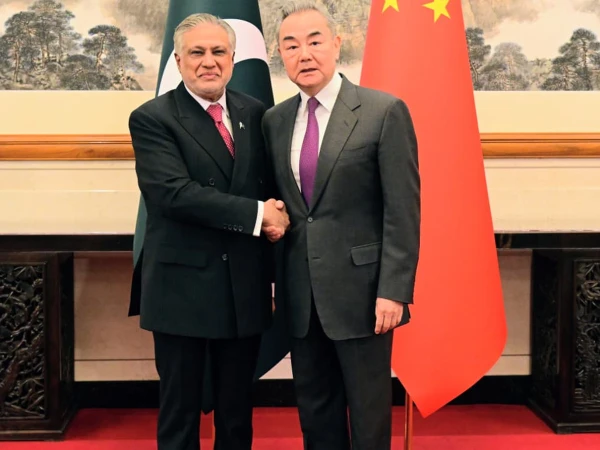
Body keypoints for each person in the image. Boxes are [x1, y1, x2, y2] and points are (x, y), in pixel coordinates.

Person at [261, 2, 420, 449]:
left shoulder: (382, 111)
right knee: (316, 412)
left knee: (368, 415)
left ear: (336, 44)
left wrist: (394, 290)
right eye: (291, 46)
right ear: (280, 55)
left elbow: (402, 209)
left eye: (314, 42)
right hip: (300, 295)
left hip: (364, 295)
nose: (304, 54)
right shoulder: (274, 121)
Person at [128, 13, 289, 450]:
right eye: (196, 52)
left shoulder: (257, 113)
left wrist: (278, 227)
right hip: (181, 290)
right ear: (178, 61)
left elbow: (272, 188)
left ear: (233, 58)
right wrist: (259, 215)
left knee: (236, 416)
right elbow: (174, 195)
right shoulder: (152, 118)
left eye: (219, 51)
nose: (208, 61)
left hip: (243, 288)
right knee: (180, 415)